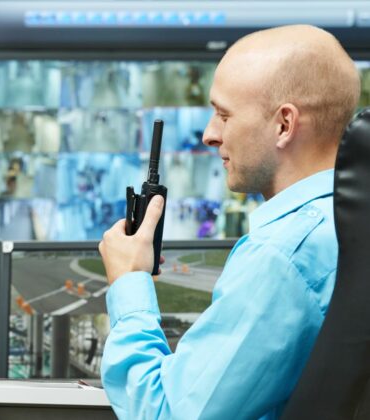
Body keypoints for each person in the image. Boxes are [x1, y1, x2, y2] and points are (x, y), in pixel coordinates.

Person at [98, 25, 361, 420]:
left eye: (224, 115)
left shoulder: (282, 256)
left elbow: (166, 412)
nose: (209, 135)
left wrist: (128, 283)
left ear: (284, 125)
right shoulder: (344, 228)